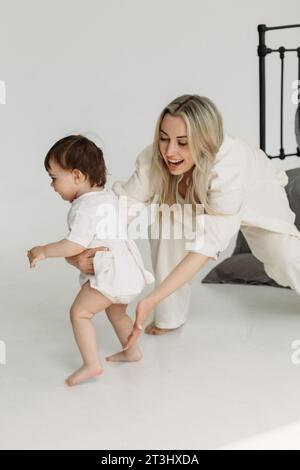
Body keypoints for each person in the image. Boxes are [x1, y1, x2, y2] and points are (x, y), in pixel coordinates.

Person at [66, 95, 300, 350]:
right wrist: (79, 250)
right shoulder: (154, 158)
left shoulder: (230, 166)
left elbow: (206, 247)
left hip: (256, 196)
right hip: (196, 201)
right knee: (165, 222)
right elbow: (120, 210)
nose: (169, 152)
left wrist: (151, 299)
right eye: (164, 138)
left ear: (204, 141)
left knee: (283, 258)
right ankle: (170, 316)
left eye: (182, 142)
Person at [27, 135, 154, 386]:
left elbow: (74, 244)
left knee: (80, 313)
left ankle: (91, 364)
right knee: (117, 314)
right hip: (127, 270)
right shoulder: (108, 198)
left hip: (110, 273)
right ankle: (132, 351)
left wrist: (44, 250)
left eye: (54, 178)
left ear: (77, 176)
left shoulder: (84, 207)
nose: (52, 186)